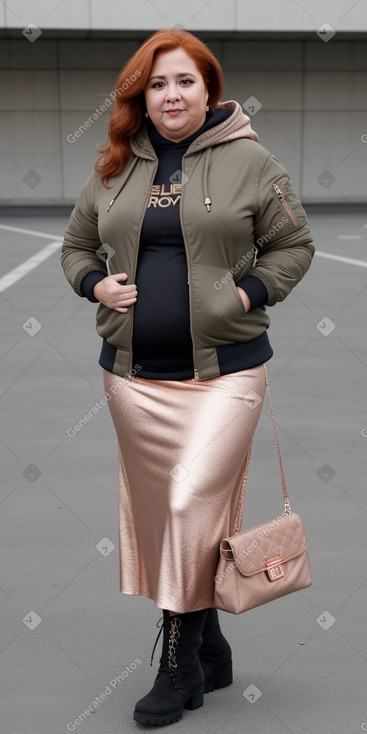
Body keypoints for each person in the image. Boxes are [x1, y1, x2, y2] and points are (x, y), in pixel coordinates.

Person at [61, 28, 314, 727]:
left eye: (184, 82)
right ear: (141, 95)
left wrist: (246, 294)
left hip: (226, 377)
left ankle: (177, 667)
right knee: (166, 520)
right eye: (157, 84)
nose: (170, 95)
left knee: (187, 506)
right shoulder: (114, 163)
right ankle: (213, 643)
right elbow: (76, 242)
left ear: (208, 90)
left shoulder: (250, 161)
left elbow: (293, 242)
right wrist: (94, 285)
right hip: (134, 381)